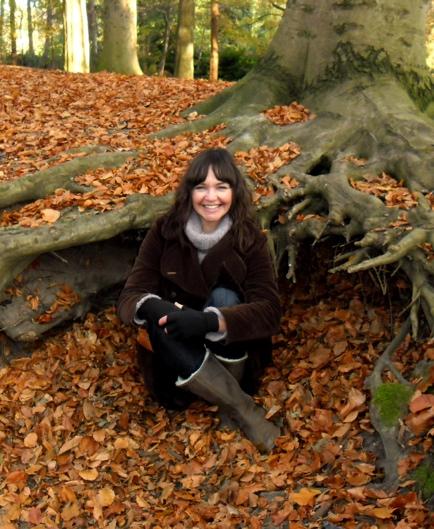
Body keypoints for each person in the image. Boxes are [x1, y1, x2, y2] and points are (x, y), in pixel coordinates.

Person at [117, 148, 281, 452]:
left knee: (225, 297)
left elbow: (270, 311)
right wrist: (162, 309)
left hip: (233, 353)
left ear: (234, 192)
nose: (211, 197)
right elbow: (130, 296)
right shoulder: (165, 231)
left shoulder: (249, 238)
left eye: (221, 187)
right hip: (177, 362)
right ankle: (244, 410)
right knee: (157, 319)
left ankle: (231, 405)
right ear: (189, 191)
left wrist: (209, 321)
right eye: (201, 187)